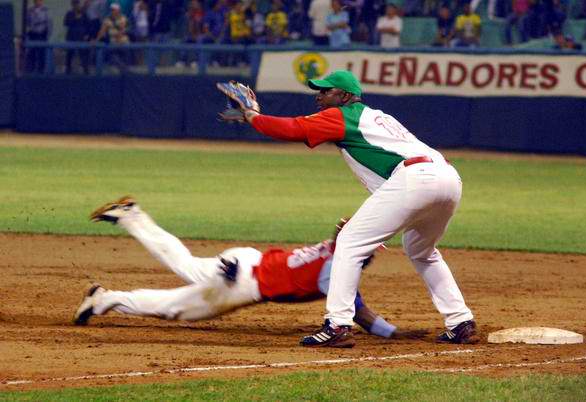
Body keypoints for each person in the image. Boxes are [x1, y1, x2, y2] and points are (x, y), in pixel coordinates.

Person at [218, 70, 477, 348]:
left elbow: (292, 129)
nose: (319, 96)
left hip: (416, 179)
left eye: (326, 91)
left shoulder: (343, 115)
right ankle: (460, 321)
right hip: (448, 178)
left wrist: (253, 116)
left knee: (349, 242)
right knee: (421, 249)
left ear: (343, 96)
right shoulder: (376, 117)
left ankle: (337, 325)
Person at [73, 196, 414, 344]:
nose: (371, 255)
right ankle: (106, 295)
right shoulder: (339, 268)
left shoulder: (336, 252)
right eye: (370, 249)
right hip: (243, 283)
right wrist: (395, 334)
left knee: (186, 266)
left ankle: (106, 288)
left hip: (247, 260)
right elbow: (360, 314)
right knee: (173, 306)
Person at [64, 0, 91, 74]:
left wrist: (87, 35)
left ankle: (86, 69)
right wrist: (75, 18)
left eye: (77, 4)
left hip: (81, 37)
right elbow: (66, 23)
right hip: (71, 36)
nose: (76, 6)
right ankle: (68, 69)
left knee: (83, 53)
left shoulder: (84, 13)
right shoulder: (69, 14)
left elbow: (88, 25)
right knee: (70, 53)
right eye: (75, 4)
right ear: (72, 5)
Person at [25, 0, 52, 74]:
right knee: (31, 53)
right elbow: (27, 22)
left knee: (41, 54)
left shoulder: (46, 10)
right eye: (36, 0)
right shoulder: (30, 10)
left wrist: (48, 35)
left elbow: (49, 23)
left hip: (42, 35)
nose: (38, 2)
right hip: (33, 34)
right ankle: (30, 70)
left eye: (39, 0)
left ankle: (41, 71)